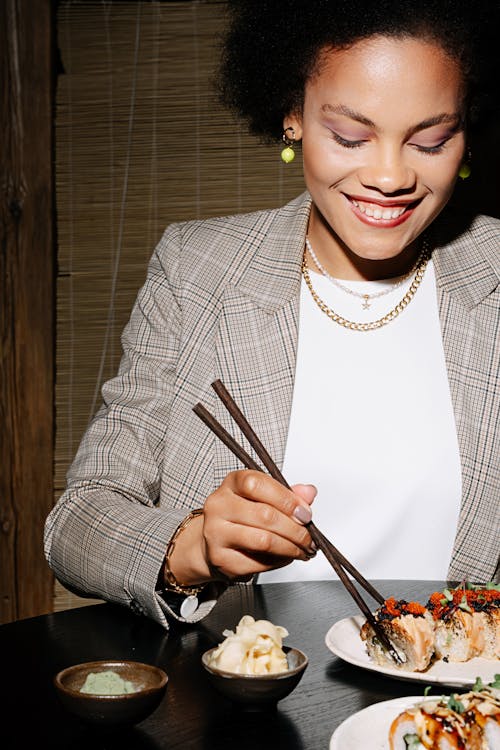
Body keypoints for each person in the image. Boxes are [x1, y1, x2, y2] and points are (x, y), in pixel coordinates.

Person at [44, 0, 499, 629]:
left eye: (429, 140)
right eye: (350, 136)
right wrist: (190, 550)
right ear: (294, 116)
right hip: (249, 713)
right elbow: (80, 520)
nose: (389, 175)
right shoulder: (199, 269)